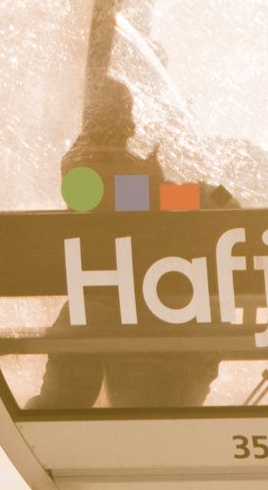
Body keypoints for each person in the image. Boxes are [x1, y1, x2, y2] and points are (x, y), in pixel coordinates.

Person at [33, 73, 213, 412]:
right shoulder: (134, 181)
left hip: (88, 310)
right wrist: (214, 191)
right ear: (126, 120)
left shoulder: (76, 175)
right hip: (145, 310)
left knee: (61, 398)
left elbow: (107, 196)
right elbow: (164, 198)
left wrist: (150, 177)